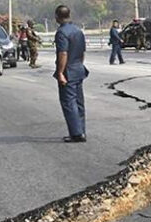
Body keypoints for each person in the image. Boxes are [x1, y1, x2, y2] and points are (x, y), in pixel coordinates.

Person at [53, 5, 89, 143]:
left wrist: (60, 72)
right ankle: (81, 130)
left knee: (68, 102)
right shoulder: (78, 31)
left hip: (68, 70)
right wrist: (79, 65)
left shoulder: (62, 32)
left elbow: (63, 53)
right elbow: (82, 52)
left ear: (57, 16)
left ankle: (76, 133)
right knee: (79, 102)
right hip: (78, 68)